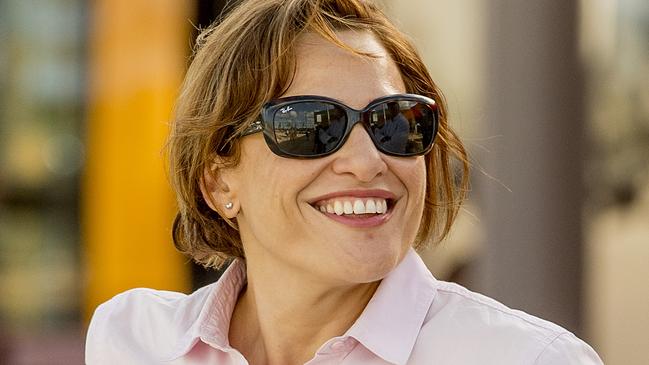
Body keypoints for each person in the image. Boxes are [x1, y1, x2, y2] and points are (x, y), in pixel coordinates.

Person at [85, 0, 604, 364]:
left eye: (395, 121)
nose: (367, 161)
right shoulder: (132, 340)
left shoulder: (528, 359)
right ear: (219, 182)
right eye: (312, 125)